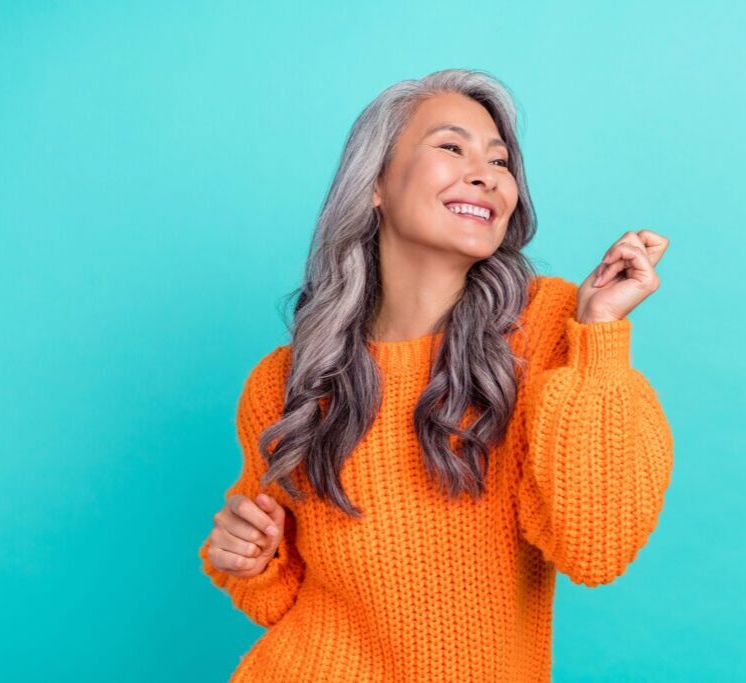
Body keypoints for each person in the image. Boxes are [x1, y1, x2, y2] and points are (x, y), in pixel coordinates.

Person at [198, 67, 673, 682]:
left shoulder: (551, 326)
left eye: (500, 162)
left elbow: (595, 547)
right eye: (451, 147)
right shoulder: (289, 379)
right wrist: (250, 558)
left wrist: (600, 337)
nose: (486, 174)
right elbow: (280, 598)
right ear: (375, 183)